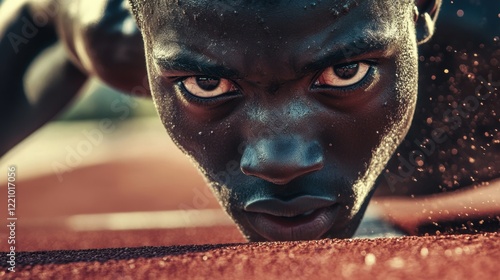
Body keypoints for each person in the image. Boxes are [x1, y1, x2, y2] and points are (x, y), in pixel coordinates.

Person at [0, 0, 498, 241]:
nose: (279, 161)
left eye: (345, 72)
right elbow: (45, 17)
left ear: (421, 10)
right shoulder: (118, 38)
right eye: (209, 85)